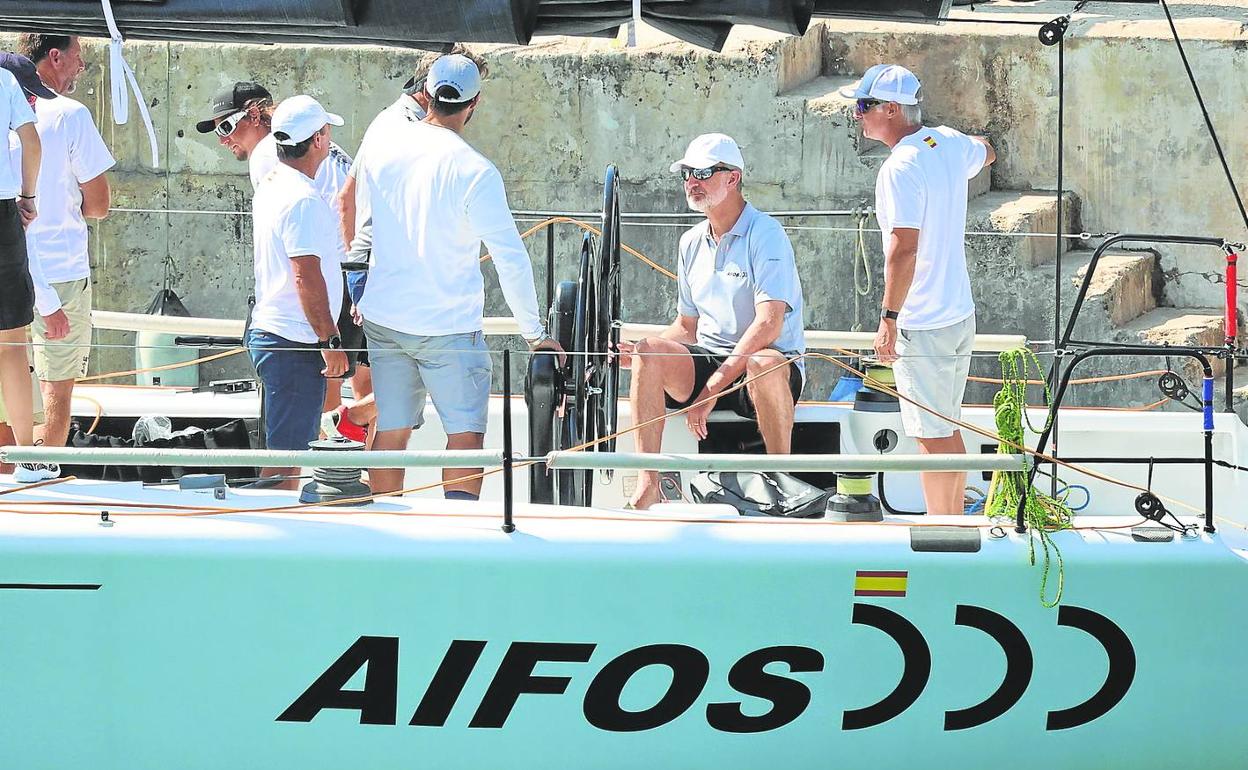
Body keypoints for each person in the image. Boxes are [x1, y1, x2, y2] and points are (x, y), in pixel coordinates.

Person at [352, 53, 561, 498]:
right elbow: (510, 257)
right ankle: (457, 537)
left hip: (385, 320)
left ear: (425, 92)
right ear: (474, 102)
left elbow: (359, 221)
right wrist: (534, 333)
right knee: (465, 437)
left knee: (391, 431)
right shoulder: (476, 171)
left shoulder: (385, 148)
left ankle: (384, 530)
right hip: (447, 327)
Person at [617, 134, 806, 510]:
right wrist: (638, 354)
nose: (691, 182)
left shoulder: (766, 234)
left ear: (733, 178)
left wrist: (713, 388)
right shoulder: (690, 242)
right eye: (686, 173)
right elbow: (687, 327)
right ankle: (648, 484)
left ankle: (780, 482)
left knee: (762, 362)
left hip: (767, 363)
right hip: (712, 359)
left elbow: (769, 325)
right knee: (649, 352)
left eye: (702, 172)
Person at [845, 63, 995, 515]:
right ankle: (952, 526)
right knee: (945, 428)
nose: (857, 114)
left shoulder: (899, 166)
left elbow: (903, 250)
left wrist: (888, 320)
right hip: (958, 314)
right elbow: (987, 151)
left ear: (891, 110)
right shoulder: (946, 142)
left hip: (924, 320)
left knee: (931, 435)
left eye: (864, 106)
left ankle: (943, 530)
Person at [194, 81, 369, 429]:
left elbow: (296, 260)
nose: (223, 139)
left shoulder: (267, 157)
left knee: (326, 397)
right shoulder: (321, 147)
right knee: (363, 381)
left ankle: (329, 462)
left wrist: (326, 336)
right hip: (356, 269)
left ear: (256, 115)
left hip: (327, 282)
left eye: (227, 127)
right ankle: (356, 463)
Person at [15, 34, 114, 449]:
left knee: (9, 383)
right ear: (54, 56)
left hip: (9, 268)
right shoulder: (71, 114)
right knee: (57, 391)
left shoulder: (7, 113)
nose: (82, 66)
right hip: (61, 271)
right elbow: (99, 205)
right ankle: (41, 479)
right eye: (78, 57)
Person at [246, 95, 349, 489]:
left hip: (280, 337)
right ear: (319, 139)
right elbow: (306, 276)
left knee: (287, 455)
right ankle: (272, 537)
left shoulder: (274, 184)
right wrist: (330, 341)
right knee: (287, 462)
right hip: (294, 343)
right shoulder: (303, 199)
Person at [0, 54, 49, 481]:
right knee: (12, 341)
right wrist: (27, 195)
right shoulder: (3, 81)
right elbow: (32, 143)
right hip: (0, 212)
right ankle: (24, 458)